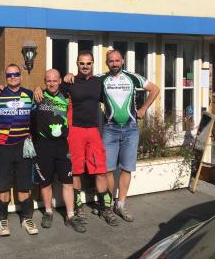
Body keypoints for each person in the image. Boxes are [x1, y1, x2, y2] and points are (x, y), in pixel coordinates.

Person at [50, 50, 119, 226]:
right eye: (82, 63)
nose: (85, 66)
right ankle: (78, 206)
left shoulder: (99, 82)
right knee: (77, 171)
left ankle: (105, 208)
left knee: (100, 170)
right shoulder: (69, 83)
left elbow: (114, 94)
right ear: (77, 64)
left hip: (93, 131)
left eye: (88, 63)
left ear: (93, 64)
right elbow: (50, 90)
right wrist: (37, 88)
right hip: (75, 131)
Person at [100, 50, 159, 222]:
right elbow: (81, 83)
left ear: (123, 61)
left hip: (131, 129)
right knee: (107, 169)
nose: (115, 64)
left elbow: (155, 89)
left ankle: (121, 205)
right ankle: (110, 203)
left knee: (126, 168)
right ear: (106, 63)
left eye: (117, 60)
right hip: (109, 129)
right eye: (111, 61)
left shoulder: (133, 77)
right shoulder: (101, 79)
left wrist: (143, 109)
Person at [32, 69, 86, 233]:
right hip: (43, 145)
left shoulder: (67, 96)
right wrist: (36, 87)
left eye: (55, 80)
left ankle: (70, 216)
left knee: (67, 182)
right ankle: (48, 212)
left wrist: (71, 74)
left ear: (60, 81)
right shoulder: (37, 97)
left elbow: (82, 82)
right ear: (44, 81)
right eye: (48, 80)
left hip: (63, 145)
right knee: (45, 182)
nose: (52, 83)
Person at [0, 64, 38, 236]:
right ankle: (2, 219)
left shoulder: (30, 95)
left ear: (20, 75)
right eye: (9, 75)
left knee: (24, 185)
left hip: (24, 147)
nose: (13, 77)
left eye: (16, 74)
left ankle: (26, 218)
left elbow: (35, 118)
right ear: (5, 77)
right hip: (3, 148)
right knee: (3, 186)